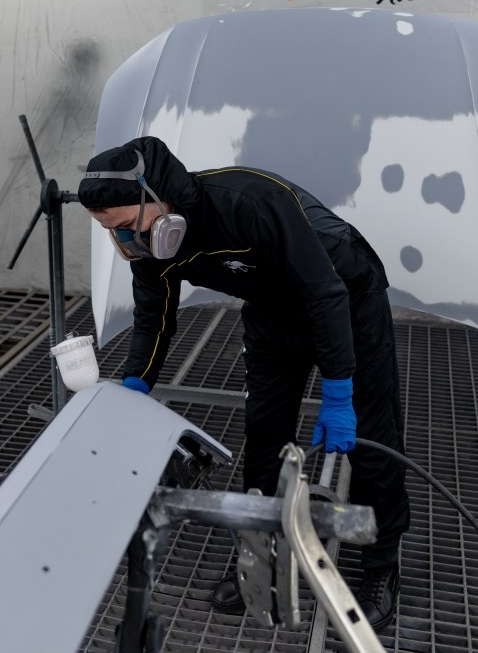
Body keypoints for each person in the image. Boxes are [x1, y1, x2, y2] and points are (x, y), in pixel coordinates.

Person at [78, 135, 409, 631]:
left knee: (370, 433)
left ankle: (381, 565)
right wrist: (135, 385)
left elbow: (325, 293)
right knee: (265, 433)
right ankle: (263, 559)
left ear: (156, 197)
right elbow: (154, 318)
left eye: (127, 226)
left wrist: (339, 393)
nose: (126, 241)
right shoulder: (153, 247)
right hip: (272, 311)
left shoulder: (249, 202)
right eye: (112, 232)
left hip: (346, 295)